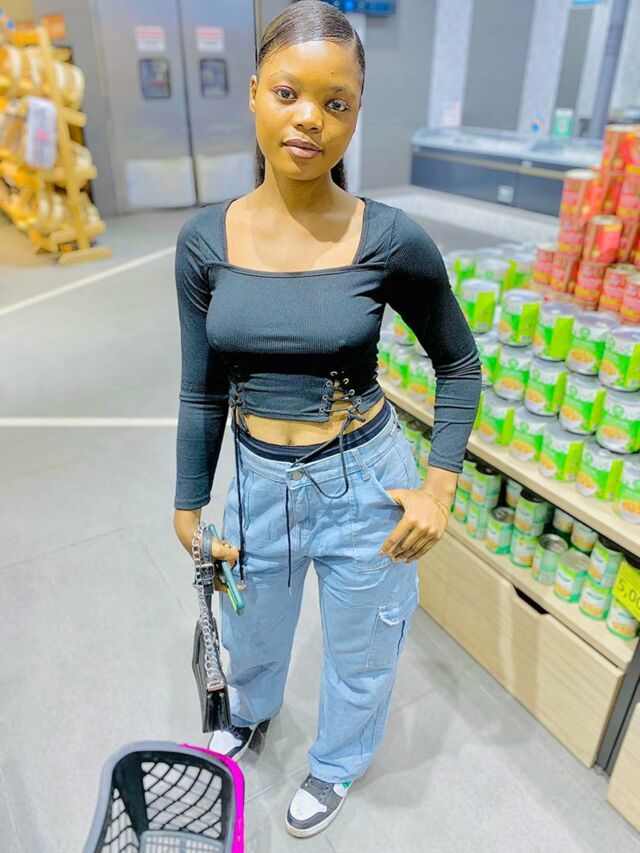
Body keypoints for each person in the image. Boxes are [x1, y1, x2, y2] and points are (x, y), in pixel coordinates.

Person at [173, 0, 481, 839]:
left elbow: (460, 364)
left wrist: (440, 489)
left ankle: (338, 760)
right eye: (289, 92)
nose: (309, 117)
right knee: (251, 627)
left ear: (355, 114)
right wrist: (188, 501)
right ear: (254, 93)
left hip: (364, 483)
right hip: (257, 482)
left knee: (360, 649)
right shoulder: (204, 242)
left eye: (335, 102)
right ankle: (248, 713)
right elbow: (201, 388)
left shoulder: (390, 238)